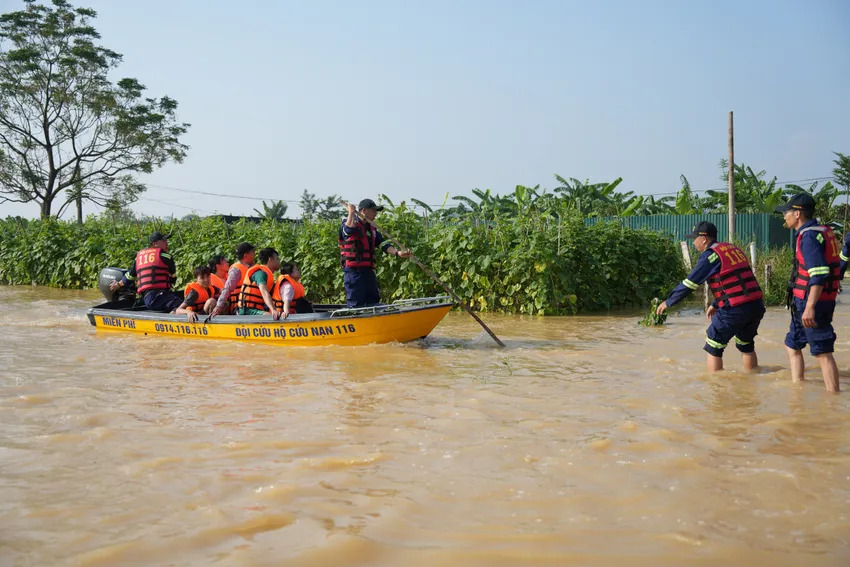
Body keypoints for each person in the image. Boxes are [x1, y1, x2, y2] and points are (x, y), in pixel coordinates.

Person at [656, 221, 766, 373]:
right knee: (745, 344)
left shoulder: (710, 256)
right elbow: (735, 281)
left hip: (735, 308)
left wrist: (668, 302)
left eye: (694, 238)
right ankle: (753, 378)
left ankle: (715, 388)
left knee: (713, 345)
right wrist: (715, 304)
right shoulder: (732, 249)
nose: (693, 242)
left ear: (703, 238)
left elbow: (690, 283)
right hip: (755, 305)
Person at [776, 193, 840, 392]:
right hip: (803, 301)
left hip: (812, 303)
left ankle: (833, 397)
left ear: (797, 214)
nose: (784, 216)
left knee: (823, 352)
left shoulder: (809, 236)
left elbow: (819, 273)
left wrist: (810, 307)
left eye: (786, 212)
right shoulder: (821, 231)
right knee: (792, 344)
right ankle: (799, 389)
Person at [339, 198, 412, 307]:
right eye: (373, 211)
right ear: (364, 211)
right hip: (354, 272)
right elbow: (348, 231)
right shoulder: (349, 222)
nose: (375, 214)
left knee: (373, 301)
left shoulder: (371, 229)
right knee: (356, 304)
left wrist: (398, 253)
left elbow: (383, 244)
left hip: (368, 271)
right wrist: (351, 212)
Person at [109, 231, 184, 312]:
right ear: (154, 244)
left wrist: (118, 285)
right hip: (158, 297)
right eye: (163, 241)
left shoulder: (139, 258)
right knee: (182, 306)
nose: (166, 243)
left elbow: (130, 276)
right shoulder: (166, 257)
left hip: (147, 297)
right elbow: (173, 278)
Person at [210, 243, 254, 317]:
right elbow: (227, 288)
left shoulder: (252, 268)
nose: (254, 254)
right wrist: (219, 306)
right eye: (252, 252)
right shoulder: (236, 270)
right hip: (241, 308)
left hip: (254, 305)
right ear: (245, 255)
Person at [237, 247, 281, 319]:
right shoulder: (260, 273)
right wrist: (273, 310)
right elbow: (264, 292)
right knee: (270, 316)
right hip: (247, 310)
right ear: (270, 259)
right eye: (277, 259)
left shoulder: (267, 274)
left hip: (257, 309)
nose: (279, 261)